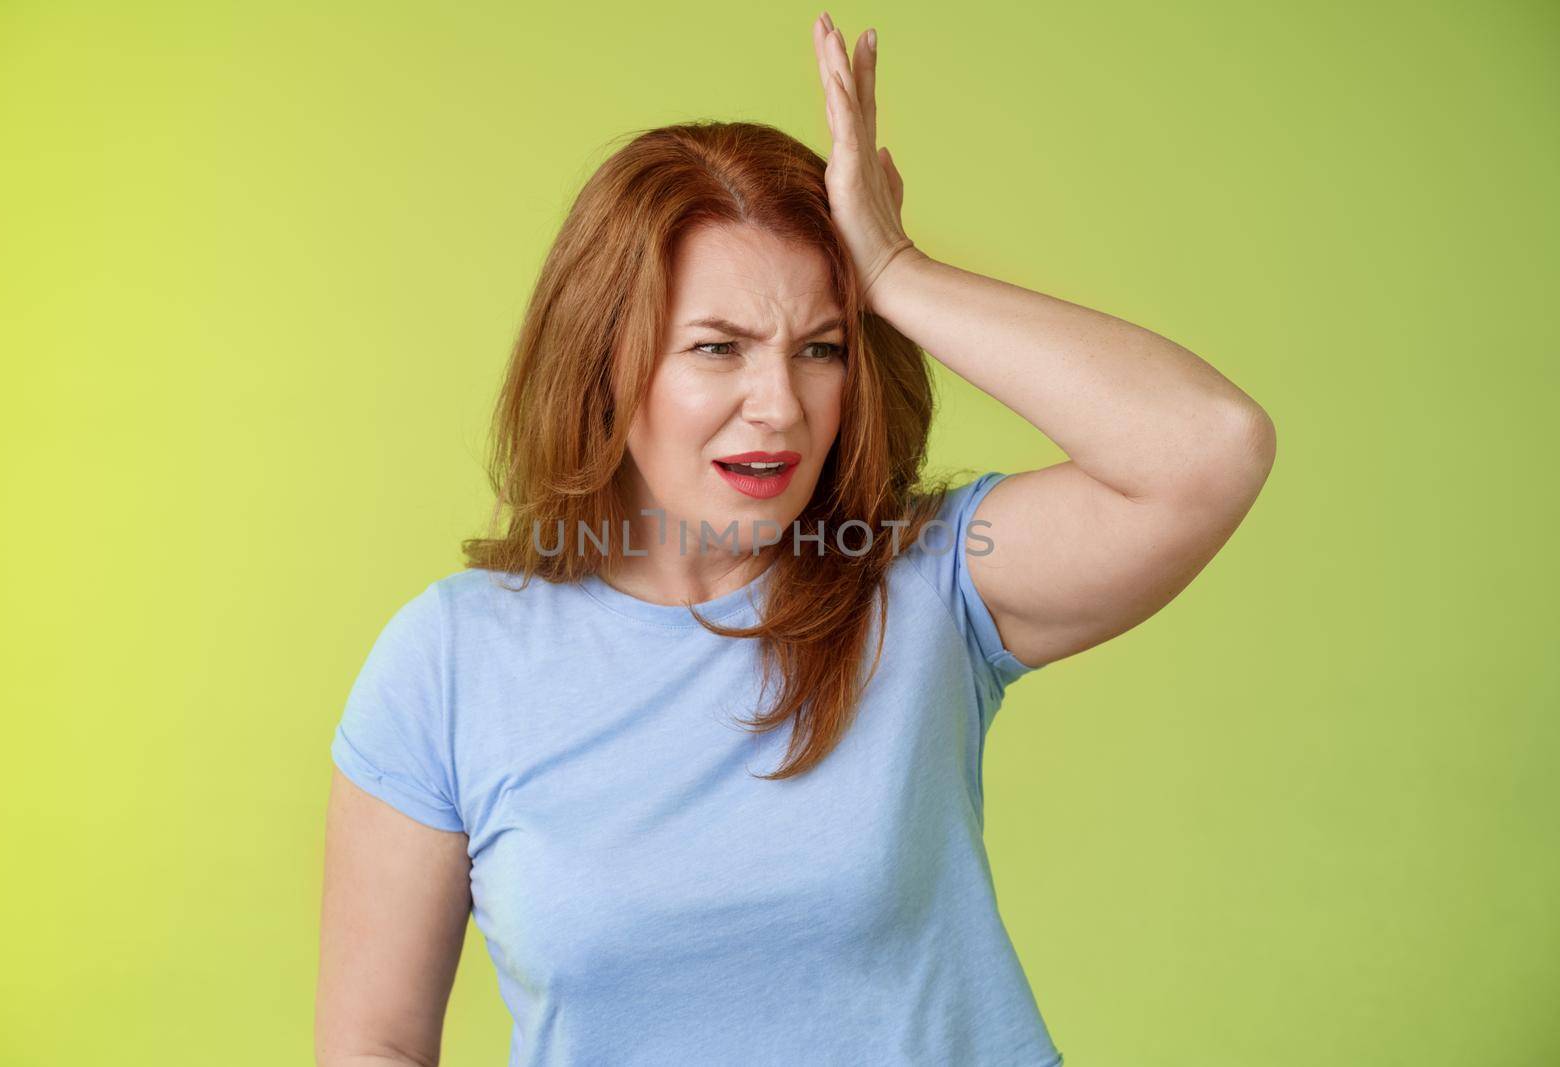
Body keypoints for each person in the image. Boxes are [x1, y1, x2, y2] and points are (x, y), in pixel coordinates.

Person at [316, 11, 1276, 1066]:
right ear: (603, 363)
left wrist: (897, 268)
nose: (778, 404)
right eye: (717, 347)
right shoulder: (451, 659)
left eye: (819, 347)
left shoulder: (924, 582)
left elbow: (1207, 449)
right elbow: (374, 1041)